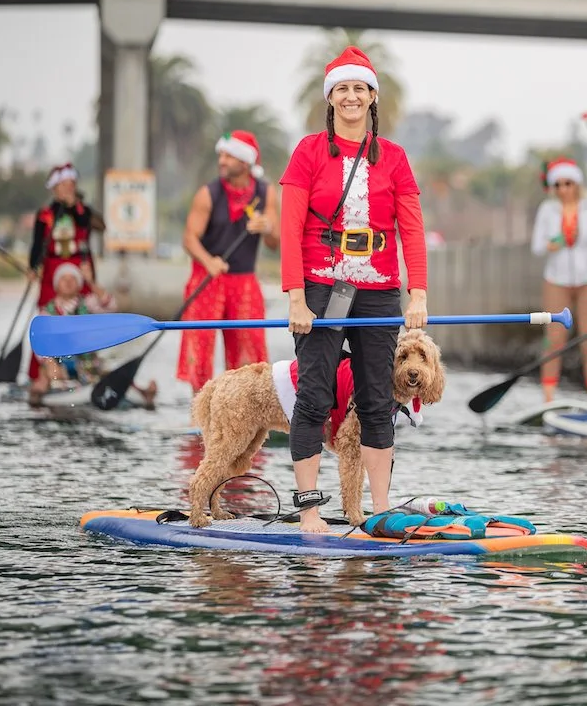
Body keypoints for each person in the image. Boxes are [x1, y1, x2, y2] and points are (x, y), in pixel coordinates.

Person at [279, 45, 428, 533]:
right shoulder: (307, 152)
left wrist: (418, 294)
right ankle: (310, 512)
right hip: (322, 284)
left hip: (381, 287)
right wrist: (296, 298)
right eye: (342, 88)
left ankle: (380, 510)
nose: (350, 97)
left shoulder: (397, 158)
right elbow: (289, 228)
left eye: (359, 88)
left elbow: (412, 229)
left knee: (376, 401)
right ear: (330, 98)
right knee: (316, 395)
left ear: (372, 98)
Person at [177, 130, 281, 394]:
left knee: (250, 357)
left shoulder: (265, 192)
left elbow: (275, 241)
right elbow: (189, 238)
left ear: (245, 163)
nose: (221, 160)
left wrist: (267, 226)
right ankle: (200, 415)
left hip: (244, 282)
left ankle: (247, 413)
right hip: (207, 278)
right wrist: (208, 261)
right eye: (221, 155)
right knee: (199, 356)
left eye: (228, 156)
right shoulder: (207, 194)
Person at [529, 157, 587, 404]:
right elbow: (537, 247)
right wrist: (554, 243)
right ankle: (548, 398)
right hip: (556, 279)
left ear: (577, 184)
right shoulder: (547, 210)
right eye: (558, 185)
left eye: (568, 183)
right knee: (554, 338)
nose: (563, 189)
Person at [27, 261, 157, 408]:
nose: (68, 283)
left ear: (79, 285)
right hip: (59, 364)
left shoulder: (88, 303)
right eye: (64, 279)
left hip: (87, 364)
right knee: (43, 376)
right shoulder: (47, 312)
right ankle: (38, 395)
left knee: (108, 374)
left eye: (73, 279)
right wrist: (49, 363)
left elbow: (111, 305)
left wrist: (91, 281)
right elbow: (41, 341)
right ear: (57, 285)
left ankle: (142, 393)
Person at [26, 163, 106, 382]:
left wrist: (75, 205)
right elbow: (37, 243)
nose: (69, 188)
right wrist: (33, 267)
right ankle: (42, 374)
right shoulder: (46, 214)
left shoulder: (83, 211)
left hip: (80, 269)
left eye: (72, 184)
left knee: (85, 314)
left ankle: (88, 368)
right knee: (47, 319)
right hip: (53, 271)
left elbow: (96, 225)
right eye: (64, 185)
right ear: (55, 189)